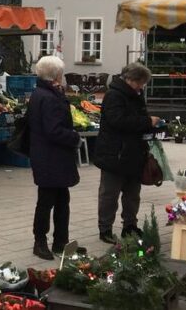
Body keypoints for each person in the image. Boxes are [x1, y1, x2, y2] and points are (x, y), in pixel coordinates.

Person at [94, 62, 160, 243]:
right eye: (140, 83)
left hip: (134, 153)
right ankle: (105, 229)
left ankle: (130, 225)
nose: (142, 87)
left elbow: (136, 118)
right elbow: (119, 121)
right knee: (110, 194)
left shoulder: (136, 95)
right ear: (130, 79)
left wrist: (151, 128)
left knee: (132, 194)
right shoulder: (114, 95)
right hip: (115, 154)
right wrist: (147, 122)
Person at [28, 56, 81, 260]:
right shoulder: (48, 97)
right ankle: (41, 242)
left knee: (60, 200)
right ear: (56, 75)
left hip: (50, 156)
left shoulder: (43, 92)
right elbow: (53, 130)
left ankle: (60, 242)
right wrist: (74, 137)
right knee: (48, 201)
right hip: (51, 157)